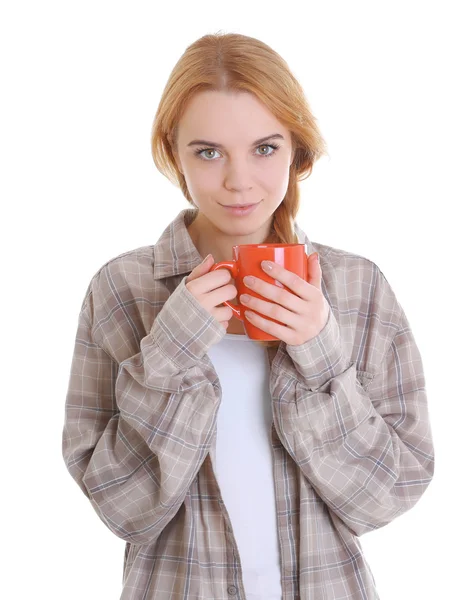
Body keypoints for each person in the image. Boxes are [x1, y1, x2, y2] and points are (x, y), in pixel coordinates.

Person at [62, 32, 435, 600]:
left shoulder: (358, 287)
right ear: (173, 152)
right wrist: (171, 348)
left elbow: (388, 494)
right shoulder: (122, 289)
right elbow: (120, 507)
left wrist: (320, 354)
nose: (239, 181)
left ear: (297, 152)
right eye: (208, 151)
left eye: (265, 148)